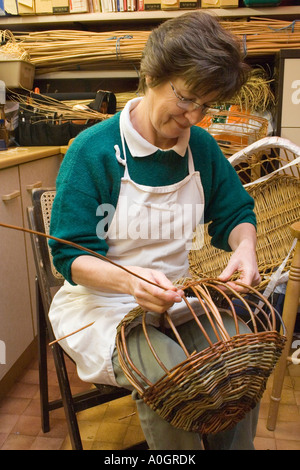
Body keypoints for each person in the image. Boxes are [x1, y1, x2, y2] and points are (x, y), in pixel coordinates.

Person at [49, 11, 261, 450]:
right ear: (150, 76)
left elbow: (235, 212)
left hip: (176, 299)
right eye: (185, 98)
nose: (194, 117)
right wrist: (131, 280)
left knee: (240, 361)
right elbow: (71, 257)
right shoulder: (93, 152)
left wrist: (245, 247)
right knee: (172, 380)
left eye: (206, 105)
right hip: (102, 306)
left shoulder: (199, 148)